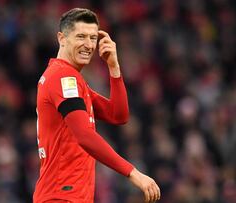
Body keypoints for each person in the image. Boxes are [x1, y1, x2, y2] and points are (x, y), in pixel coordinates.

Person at [34, 8, 161, 203]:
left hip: (69, 196)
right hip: (61, 196)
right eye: (81, 36)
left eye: (93, 38)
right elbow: (85, 135)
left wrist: (114, 67)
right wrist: (134, 173)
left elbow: (118, 115)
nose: (88, 45)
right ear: (62, 38)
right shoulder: (62, 77)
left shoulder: (72, 80)